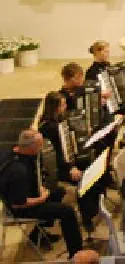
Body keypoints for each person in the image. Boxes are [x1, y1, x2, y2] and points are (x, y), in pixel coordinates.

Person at [0, 129, 83, 257]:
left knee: (58, 191)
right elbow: (18, 204)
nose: (41, 148)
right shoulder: (18, 171)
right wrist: (42, 198)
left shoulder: (15, 151)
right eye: (40, 146)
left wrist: (41, 188)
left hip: (27, 195)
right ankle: (76, 253)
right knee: (67, 211)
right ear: (31, 148)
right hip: (20, 208)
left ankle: (39, 232)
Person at [38, 92, 111, 234]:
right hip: (56, 167)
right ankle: (86, 217)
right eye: (63, 104)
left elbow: (69, 140)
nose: (66, 107)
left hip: (68, 159)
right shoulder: (47, 127)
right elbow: (54, 155)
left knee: (95, 168)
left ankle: (95, 206)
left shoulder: (61, 120)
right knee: (85, 180)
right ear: (55, 107)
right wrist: (71, 167)